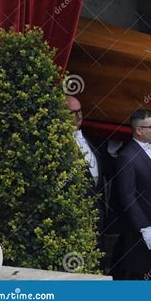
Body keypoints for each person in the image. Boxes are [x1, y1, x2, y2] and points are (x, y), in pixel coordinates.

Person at [113, 109, 151, 280]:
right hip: (147, 228)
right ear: (139, 130)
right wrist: (144, 227)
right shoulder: (127, 156)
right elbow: (127, 195)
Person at [66, 96, 105, 243]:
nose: (78, 116)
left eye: (80, 111)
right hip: (76, 217)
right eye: (72, 112)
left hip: (96, 215)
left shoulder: (90, 140)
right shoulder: (60, 145)